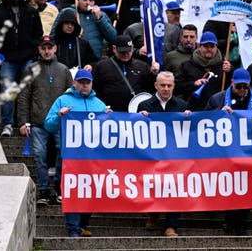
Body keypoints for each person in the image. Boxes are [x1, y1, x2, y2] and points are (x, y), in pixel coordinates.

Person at [44, 69, 110, 237]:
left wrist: (110, 118)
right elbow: (48, 126)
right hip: (70, 157)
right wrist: (59, 116)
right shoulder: (63, 100)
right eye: (80, 82)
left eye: (87, 82)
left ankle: (82, 225)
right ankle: (73, 229)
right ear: (74, 83)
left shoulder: (100, 104)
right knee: (73, 191)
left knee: (91, 191)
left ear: (92, 84)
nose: (84, 85)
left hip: (93, 158)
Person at [205, 68, 252, 236]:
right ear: (231, 82)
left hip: (250, 151)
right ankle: (229, 220)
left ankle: (240, 223)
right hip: (226, 152)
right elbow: (204, 122)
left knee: (246, 187)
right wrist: (219, 114)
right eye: (238, 86)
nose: (241, 90)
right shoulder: (217, 99)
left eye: (245, 87)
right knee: (231, 186)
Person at [17, 35, 71, 205]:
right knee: (39, 155)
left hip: (58, 122)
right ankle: (44, 191)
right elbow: (24, 96)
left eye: (50, 47)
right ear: (39, 49)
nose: (47, 51)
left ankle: (60, 188)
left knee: (63, 154)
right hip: (38, 122)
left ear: (55, 49)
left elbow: (71, 95)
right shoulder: (31, 69)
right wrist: (23, 122)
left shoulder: (63, 70)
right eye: (43, 48)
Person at [0, 0, 43, 137]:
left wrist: (32, 50)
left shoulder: (31, 12)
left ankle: (27, 122)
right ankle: (7, 124)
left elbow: (38, 34)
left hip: (26, 57)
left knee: (29, 91)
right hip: (8, 59)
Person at [137, 71, 191, 237]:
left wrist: (190, 119)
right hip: (152, 156)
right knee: (154, 186)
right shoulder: (144, 106)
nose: (166, 88)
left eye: (169, 85)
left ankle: (171, 225)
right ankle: (153, 213)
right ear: (156, 86)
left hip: (175, 157)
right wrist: (138, 118)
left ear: (174, 86)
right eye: (162, 85)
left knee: (175, 188)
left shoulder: (182, 106)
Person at [93, 35, 159, 112]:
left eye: (128, 51)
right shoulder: (102, 66)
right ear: (114, 49)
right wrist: (102, 107)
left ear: (133, 48)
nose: (125, 54)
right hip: (110, 113)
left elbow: (151, 88)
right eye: (122, 52)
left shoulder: (142, 66)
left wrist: (154, 75)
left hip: (137, 112)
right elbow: (95, 90)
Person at [50, 0, 117, 59]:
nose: (88, 3)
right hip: (72, 59)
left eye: (91, 0)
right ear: (78, 0)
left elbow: (113, 38)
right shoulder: (67, 12)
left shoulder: (101, 15)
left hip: (94, 60)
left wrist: (100, 19)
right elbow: (53, 35)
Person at [175, 31, 232, 110]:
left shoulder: (224, 66)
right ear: (199, 46)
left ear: (217, 47)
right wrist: (193, 84)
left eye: (212, 46)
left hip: (217, 112)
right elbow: (176, 87)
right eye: (206, 46)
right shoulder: (187, 65)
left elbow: (233, 88)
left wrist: (230, 71)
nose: (209, 49)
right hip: (193, 112)